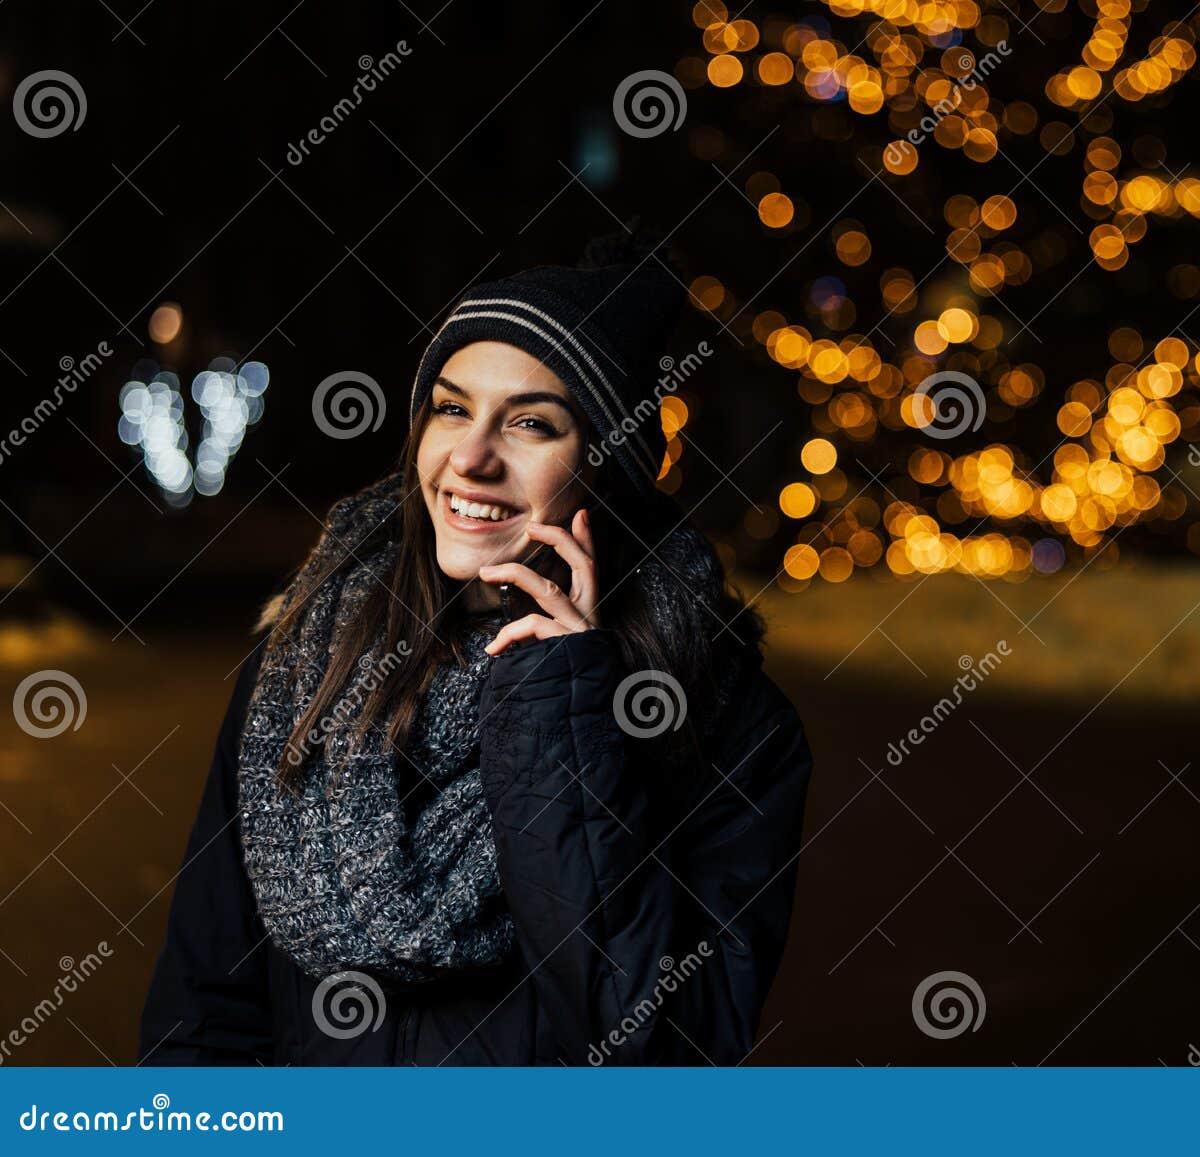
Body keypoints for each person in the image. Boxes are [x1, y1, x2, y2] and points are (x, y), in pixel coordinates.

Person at [138, 234, 814, 1065]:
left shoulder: (723, 720)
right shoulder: (306, 660)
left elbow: (668, 1050)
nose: (470, 457)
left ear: (610, 469)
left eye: (531, 423)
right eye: (452, 408)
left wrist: (558, 713)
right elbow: (202, 1011)